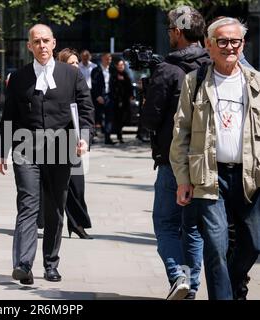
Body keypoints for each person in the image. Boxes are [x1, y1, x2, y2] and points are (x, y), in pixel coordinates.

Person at [0, 24, 94, 285]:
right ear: (29, 46)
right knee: (27, 205)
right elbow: (9, 116)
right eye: (36, 41)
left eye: (46, 41)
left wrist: (84, 138)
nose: (41, 46)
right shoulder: (18, 77)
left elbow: (86, 110)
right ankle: (23, 264)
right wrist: (0, 151)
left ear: (53, 43)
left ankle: (51, 263)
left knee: (55, 209)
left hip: (61, 149)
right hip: (26, 149)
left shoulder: (71, 75)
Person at [170, 17, 260, 300]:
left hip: (250, 176)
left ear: (242, 44)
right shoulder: (194, 81)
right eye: (222, 41)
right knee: (216, 246)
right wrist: (183, 180)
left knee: (253, 244)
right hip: (209, 176)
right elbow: (181, 133)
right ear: (209, 45)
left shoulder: (256, 82)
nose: (229, 47)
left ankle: (230, 288)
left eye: (235, 41)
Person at [141, 6, 209, 300]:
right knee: (192, 228)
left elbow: (149, 120)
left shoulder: (167, 70)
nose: (169, 35)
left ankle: (178, 275)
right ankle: (192, 287)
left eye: (170, 30)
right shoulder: (213, 66)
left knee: (166, 223)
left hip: (173, 159)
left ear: (179, 33)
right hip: (207, 159)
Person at [57, 48, 93, 239]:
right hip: (54, 140)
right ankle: (50, 222)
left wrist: (86, 138)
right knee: (54, 186)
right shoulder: (54, 82)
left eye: (76, 63)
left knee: (77, 185)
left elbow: (87, 111)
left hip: (74, 139)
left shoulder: (80, 83)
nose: (75, 66)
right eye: (71, 63)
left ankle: (77, 224)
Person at [91, 53, 114, 144]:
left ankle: (107, 138)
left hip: (109, 96)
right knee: (96, 117)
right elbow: (94, 84)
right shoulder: (96, 70)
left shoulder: (112, 70)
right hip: (99, 97)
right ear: (102, 59)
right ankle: (92, 137)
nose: (109, 61)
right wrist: (97, 96)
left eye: (110, 59)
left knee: (109, 117)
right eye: (107, 59)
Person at [111, 59, 134, 144]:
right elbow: (113, 87)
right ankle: (119, 135)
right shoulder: (114, 75)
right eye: (120, 65)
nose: (121, 67)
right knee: (119, 119)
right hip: (117, 100)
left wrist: (131, 95)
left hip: (125, 100)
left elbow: (129, 86)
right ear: (117, 66)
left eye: (122, 65)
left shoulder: (126, 74)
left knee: (125, 118)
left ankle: (119, 133)